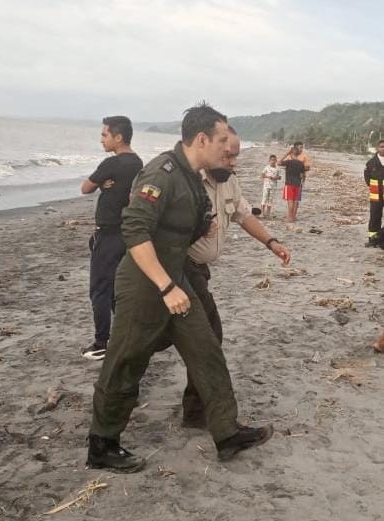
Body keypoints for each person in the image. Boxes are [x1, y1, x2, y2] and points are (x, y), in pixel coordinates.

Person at [87, 104, 273, 473]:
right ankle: (102, 444)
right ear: (201, 139)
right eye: (222, 140)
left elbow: (193, 220)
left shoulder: (193, 175)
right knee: (126, 360)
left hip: (177, 277)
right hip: (146, 283)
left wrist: (203, 232)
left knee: (206, 348)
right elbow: (135, 231)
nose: (227, 148)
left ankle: (226, 432)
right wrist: (166, 286)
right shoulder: (162, 172)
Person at [175, 127, 291, 428]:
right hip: (178, 271)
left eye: (236, 156)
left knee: (201, 339)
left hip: (198, 272)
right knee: (207, 338)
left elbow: (244, 215)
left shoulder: (229, 183)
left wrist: (271, 242)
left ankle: (195, 411)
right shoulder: (186, 183)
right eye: (228, 156)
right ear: (208, 148)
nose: (233, 162)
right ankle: (208, 418)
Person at [80, 116, 143, 360]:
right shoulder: (138, 164)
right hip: (127, 233)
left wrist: (101, 184)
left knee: (100, 290)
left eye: (105, 135)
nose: (102, 139)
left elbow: (85, 188)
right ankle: (124, 336)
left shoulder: (112, 164)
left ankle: (101, 342)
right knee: (119, 290)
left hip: (107, 234)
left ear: (118, 137)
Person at [278, 141, 310, 222]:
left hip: (289, 183)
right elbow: (303, 172)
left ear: (291, 153)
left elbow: (279, 163)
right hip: (298, 183)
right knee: (295, 200)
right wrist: (303, 180)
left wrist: (286, 154)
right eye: (300, 147)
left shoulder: (289, 161)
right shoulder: (301, 163)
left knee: (290, 201)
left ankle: (290, 217)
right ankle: (293, 217)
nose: (301, 149)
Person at [363, 139, 384, 248]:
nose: (383, 149)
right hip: (375, 195)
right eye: (381, 146)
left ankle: (380, 239)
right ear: (377, 148)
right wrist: (371, 186)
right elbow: (366, 175)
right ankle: (372, 240)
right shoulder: (371, 163)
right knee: (375, 217)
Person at [260, 153, 281, 218]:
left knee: (270, 199)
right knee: (264, 198)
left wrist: (276, 178)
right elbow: (262, 175)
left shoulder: (277, 168)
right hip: (266, 185)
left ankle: (268, 213)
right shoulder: (266, 167)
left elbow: (280, 177)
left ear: (276, 161)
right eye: (272, 160)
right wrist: (268, 176)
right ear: (269, 160)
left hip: (273, 186)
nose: (273, 161)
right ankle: (262, 212)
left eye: (274, 160)